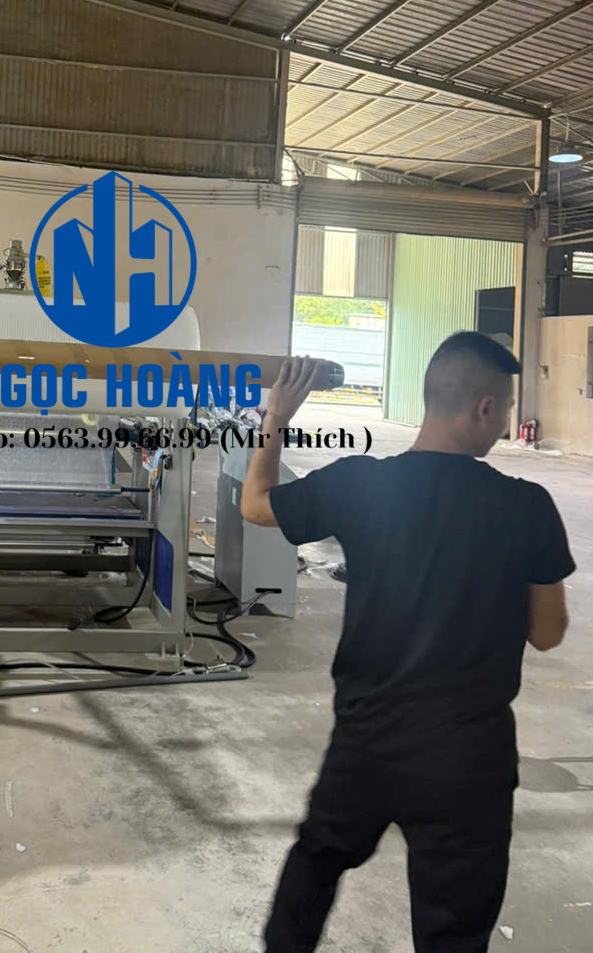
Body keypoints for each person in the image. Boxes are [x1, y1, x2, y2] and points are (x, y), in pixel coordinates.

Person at [240, 333, 575, 953]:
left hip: (369, 737)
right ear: (483, 408)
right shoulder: (527, 506)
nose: (505, 424)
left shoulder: (360, 484)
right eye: (505, 410)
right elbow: (548, 634)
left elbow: (256, 505)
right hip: (469, 755)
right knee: (455, 926)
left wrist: (276, 418)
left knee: (317, 862)